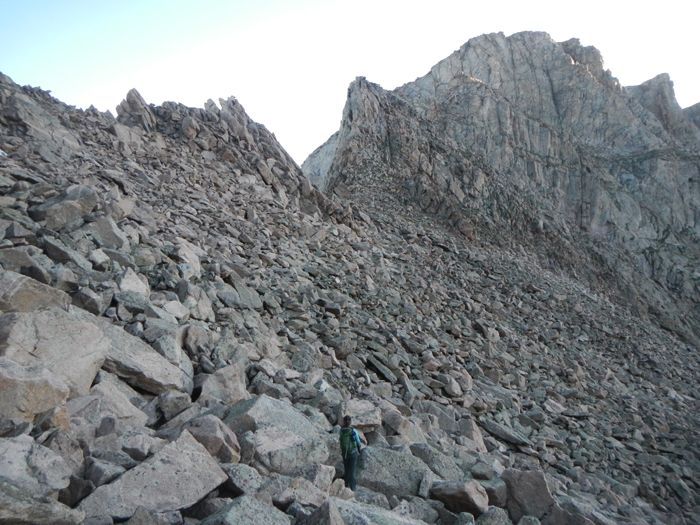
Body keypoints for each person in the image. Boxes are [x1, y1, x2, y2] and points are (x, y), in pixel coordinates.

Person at [339, 415, 361, 491]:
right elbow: (358, 442)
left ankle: (346, 486)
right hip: (353, 452)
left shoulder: (341, 431)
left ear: (344, 422)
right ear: (350, 421)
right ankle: (353, 488)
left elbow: (341, 441)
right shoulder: (353, 430)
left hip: (345, 453)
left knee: (346, 470)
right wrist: (359, 451)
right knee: (352, 470)